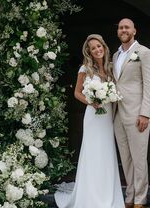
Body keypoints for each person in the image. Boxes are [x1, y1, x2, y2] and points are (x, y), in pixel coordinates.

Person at [54, 34, 125, 208]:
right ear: (89, 52)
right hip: (93, 116)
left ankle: (108, 194)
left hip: (107, 115)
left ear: (104, 47)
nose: (97, 50)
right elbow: (77, 93)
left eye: (99, 46)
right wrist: (91, 102)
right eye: (93, 48)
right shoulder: (85, 69)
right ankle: (91, 196)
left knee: (107, 153)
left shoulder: (110, 68)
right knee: (93, 154)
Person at [113, 18, 150, 208]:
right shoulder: (115, 56)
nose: (123, 30)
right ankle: (129, 197)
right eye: (121, 28)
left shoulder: (144, 53)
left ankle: (140, 199)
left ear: (134, 31)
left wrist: (145, 113)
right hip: (117, 115)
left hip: (137, 113)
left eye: (127, 27)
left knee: (139, 159)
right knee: (126, 159)